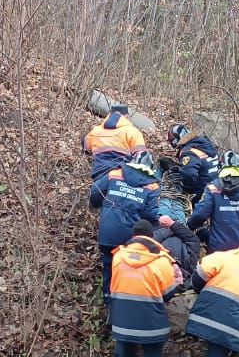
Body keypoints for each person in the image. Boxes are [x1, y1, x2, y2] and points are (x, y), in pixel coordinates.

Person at [107, 219, 185, 357]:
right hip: (151, 323)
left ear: (134, 236)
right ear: (151, 237)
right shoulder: (161, 261)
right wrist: (177, 280)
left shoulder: (118, 257)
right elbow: (167, 293)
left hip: (122, 320)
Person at [89, 151, 171, 299]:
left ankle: (108, 300)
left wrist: (103, 207)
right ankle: (123, 302)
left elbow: (95, 194)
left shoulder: (114, 174)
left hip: (107, 232)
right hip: (129, 239)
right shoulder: (152, 186)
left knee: (108, 267)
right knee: (126, 270)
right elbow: (150, 215)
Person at [85, 104, 147, 179]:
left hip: (99, 176)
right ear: (127, 116)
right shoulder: (133, 132)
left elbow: (86, 148)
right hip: (122, 177)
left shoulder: (95, 131)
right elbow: (141, 158)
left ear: (109, 115)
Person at [168, 124, 222, 196]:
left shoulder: (189, 152)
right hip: (218, 186)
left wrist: (186, 191)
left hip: (203, 192)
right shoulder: (204, 144)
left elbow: (189, 174)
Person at [153, 218, 201, 287]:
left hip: (160, 227)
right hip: (179, 227)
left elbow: (150, 240)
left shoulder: (156, 268)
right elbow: (193, 240)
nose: (176, 272)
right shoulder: (189, 266)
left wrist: (169, 228)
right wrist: (173, 225)